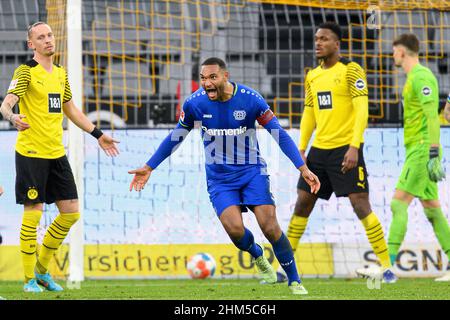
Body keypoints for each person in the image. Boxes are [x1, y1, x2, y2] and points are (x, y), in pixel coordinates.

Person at [129, 57, 321, 295]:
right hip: (220, 179)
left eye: (212, 77)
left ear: (225, 76)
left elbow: (278, 134)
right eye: (202, 78)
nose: (206, 83)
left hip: (252, 172)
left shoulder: (251, 100)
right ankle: (258, 255)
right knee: (236, 231)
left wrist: (302, 167)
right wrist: (149, 166)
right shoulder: (195, 104)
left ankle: (294, 280)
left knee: (270, 226)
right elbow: (176, 137)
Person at [0, 22, 119, 293]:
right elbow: (6, 103)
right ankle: (28, 278)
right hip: (31, 152)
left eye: (50, 35)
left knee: (70, 213)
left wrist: (98, 134)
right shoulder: (26, 72)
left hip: (56, 153)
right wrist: (12, 116)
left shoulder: (61, 74)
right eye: (40, 37)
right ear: (31, 44)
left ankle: (42, 271)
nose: (47, 40)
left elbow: (71, 109)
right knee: (33, 212)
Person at [280, 22, 396, 283]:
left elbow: (361, 109)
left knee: (360, 204)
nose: (318, 43)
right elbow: (309, 113)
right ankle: (286, 266)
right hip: (318, 152)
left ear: (337, 44)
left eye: (324, 39)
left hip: (346, 149)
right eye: (316, 39)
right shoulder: (312, 76)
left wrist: (355, 145)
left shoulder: (351, 70)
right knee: (302, 203)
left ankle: (386, 266)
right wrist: (301, 147)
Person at [375, 33, 448, 281]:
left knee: (398, 203)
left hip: (421, 149)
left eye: (394, 51)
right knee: (432, 209)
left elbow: (431, 115)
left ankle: (387, 267)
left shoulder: (422, 77)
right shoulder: (411, 79)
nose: (392, 55)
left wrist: (434, 151)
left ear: (402, 52)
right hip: (416, 148)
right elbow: (437, 114)